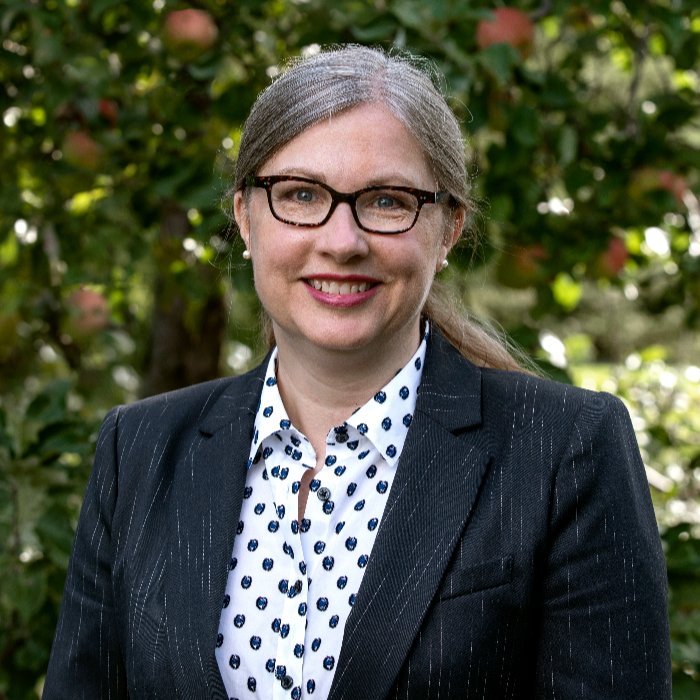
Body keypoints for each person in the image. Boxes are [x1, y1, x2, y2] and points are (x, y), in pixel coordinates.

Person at [44, 44, 671, 699]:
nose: (342, 241)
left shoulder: (566, 448)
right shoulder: (139, 451)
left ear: (448, 228)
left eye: (387, 201)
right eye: (300, 193)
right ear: (245, 218)